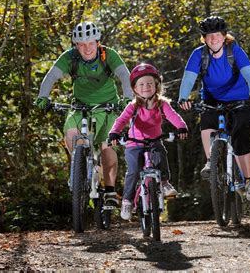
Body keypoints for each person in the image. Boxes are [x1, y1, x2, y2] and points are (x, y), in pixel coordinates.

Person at [35, 21, 133, 209]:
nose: (87, 48)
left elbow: (123, 75)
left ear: (97, 42)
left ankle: (110, 190)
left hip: (108, 106)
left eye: (90, 43)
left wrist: (127, 98)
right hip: (80, 106)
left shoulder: (108, 55)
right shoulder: (70, 57)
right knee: (71, 132)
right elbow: (51, 77)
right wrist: (43, 97)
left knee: (107, 146)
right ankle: (79, 168)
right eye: (82, 44)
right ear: (76, 45)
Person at [178, 15, 250, 201]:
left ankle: (248, 180)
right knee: (207, 120)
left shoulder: (234, 51)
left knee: (240, 137)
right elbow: (189, 78)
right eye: (209, 36)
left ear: (224, 36)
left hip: (240, 98)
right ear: (204, 39)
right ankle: (211, 162)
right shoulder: (199, 54)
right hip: (212, 99)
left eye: (217, 34)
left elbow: (249, 73)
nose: (213, 39)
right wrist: (183, 97)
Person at [108, 63, 188, 221]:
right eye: (142, 84)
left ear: (157, 85)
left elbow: (173, 116)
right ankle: (127, 201)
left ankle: (164, 183)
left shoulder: (162, 104)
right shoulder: (133, 106)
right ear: (135, 88)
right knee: (133, 170)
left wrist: (181, 127)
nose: (146, 87)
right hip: (134, 143)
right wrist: (114, 133)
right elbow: (121, 120)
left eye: (150, 83)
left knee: (161, 156)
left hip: (154, 141)